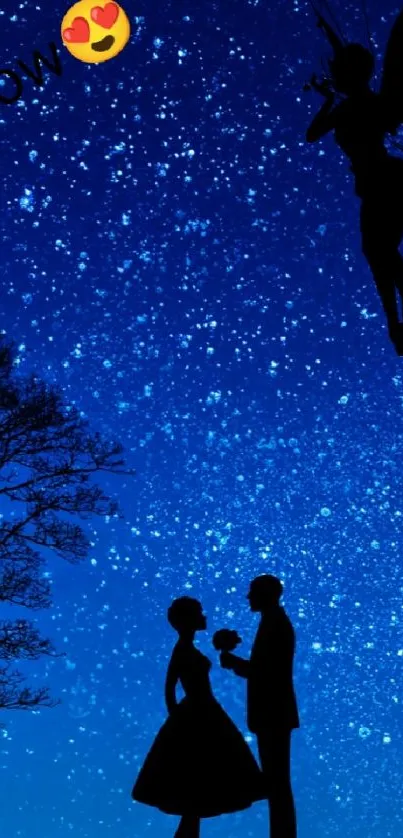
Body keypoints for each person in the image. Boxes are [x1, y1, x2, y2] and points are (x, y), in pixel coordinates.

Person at [306, 14, 403, 354]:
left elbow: (313, 134)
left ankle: (396, 325)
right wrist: (326, 28)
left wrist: (329, 99)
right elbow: (311, 135)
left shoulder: (360, 104)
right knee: (379, 252)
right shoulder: (352, 105)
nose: (333, 72)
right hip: (378, 180)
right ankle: (395, 325)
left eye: (339, 69)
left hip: (382, 180)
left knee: (379, 251)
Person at [131, 596, 265, 838]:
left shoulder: (188, 647)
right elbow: (170, 685)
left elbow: (171, 688)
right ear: (189, 619)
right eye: (200, 613)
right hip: (198, 713)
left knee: (198, 784)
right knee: (197, 781)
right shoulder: (182, 648)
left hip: (203, 711)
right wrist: (178, 721)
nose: (204, 617)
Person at [220, 575, 299, 838]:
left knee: (276, 783)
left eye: (252, 591)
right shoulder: (272, 621)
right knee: (276, 782)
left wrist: (234, 664)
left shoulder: (275, 623)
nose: (248, 597)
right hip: (274, 712)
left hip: (273, 713)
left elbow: (266, 672)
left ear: (266, 594)